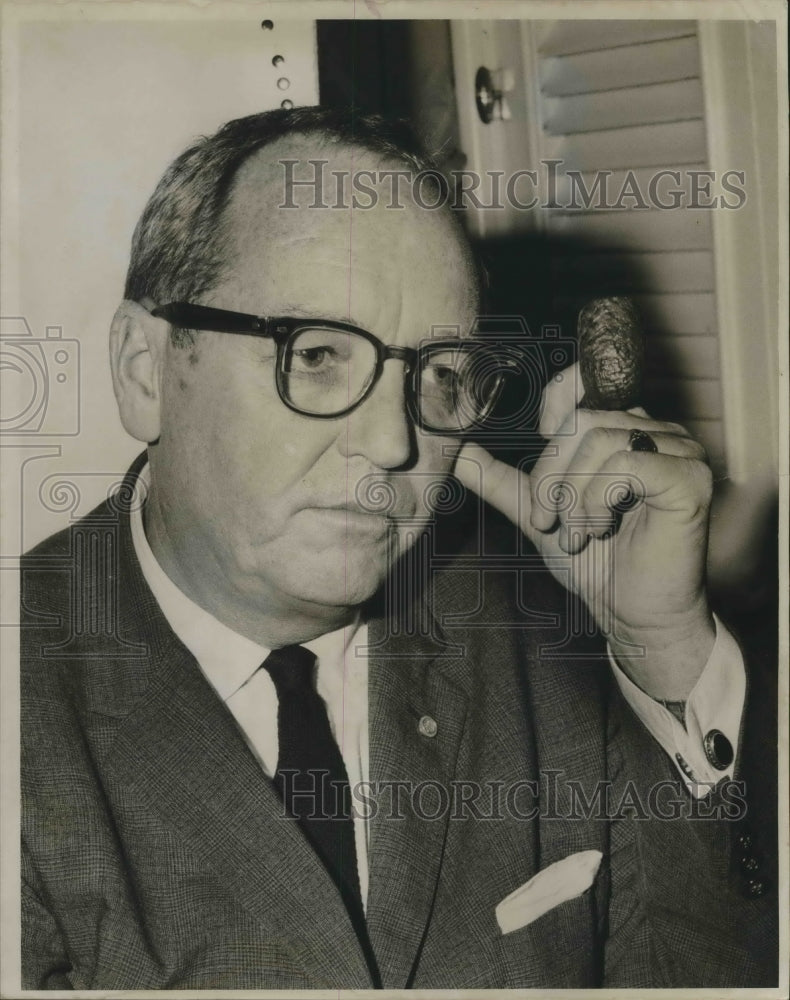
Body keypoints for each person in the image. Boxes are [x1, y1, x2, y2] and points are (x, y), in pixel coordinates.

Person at [20, 107, 777, 990]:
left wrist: (664, 654)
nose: (390, 442)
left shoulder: (540, 627)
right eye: (317, 355)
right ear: (146, 372)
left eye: (442, 375)